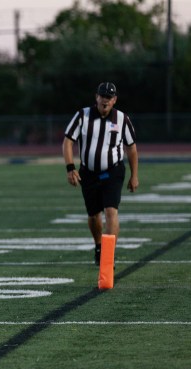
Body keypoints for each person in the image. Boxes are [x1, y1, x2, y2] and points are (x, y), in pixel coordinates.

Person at [62, 82, 139, 265]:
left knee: (111, 210)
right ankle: (98, 246)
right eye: (102, 96)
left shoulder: (122, 119)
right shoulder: (82, 116)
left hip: (113, 171)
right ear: (96, 97)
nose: (105, 100)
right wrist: (70, 168)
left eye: (109, 97)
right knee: (94, 214)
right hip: (88, 172)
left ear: (114, 100)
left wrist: (134, 175)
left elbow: (132, 148)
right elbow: (67, 142)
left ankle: (108, 254)